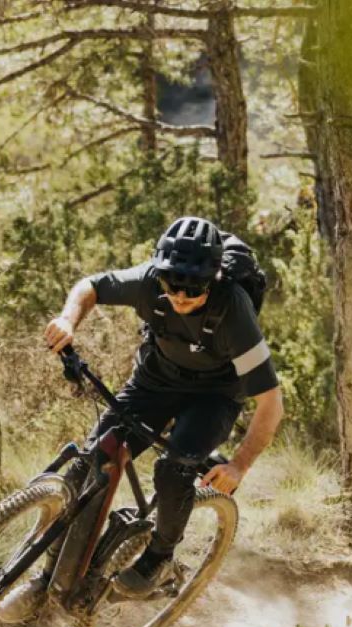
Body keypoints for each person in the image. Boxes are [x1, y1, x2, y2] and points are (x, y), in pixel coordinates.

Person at [42, 216, 284, 598]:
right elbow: (91, 286)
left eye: (195, 289)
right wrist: (67, 320)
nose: (182, 297)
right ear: (161, 274)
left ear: (214, 279)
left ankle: (160, 558)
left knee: (174, 468)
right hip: (154, 383)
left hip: (215, 397)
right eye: (174, 286)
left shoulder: (234, 310)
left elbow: (271, 401)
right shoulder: (149, 281)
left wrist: (239, 465)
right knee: (91, 463)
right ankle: (48, 577)